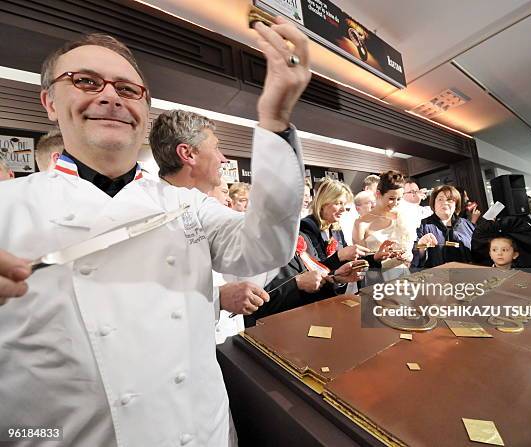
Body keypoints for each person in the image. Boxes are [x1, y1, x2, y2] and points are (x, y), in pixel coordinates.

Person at [0, 16, 311, 446]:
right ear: (50, 103)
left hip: (201, 431)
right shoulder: (8, 209)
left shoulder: (186, 204)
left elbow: (266, 246)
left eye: (127, 89)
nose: (110, 95)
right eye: (85, 81)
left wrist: (275, 116)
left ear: (144, 111)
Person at [148, 110, 272, 344]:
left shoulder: (205, 209)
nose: (223, 158)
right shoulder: (149, 212)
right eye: (215, 148)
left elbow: (256, 249)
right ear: (188, 153)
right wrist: (217, 299)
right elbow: (145, 304)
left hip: (226, 342)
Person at [300, 178, 392, 286]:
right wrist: (340, 255)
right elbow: (312, 270)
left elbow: (348, 260)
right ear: (323, 202)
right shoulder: (306, 226)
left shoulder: (335, 228)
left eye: (344, 204)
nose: (343, 209)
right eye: (338, 203)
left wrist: (375, 257)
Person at [353, 171, 411, 279]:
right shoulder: (361, 223)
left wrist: (407, 255)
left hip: (402, 275)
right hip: (377, 279)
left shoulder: (400, 217)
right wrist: (376, 258)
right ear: (378, 194)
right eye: (391, 199)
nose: (395, 203)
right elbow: (359, 263)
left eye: (399, 199)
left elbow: (408, 248)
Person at [413, 185, 475, 268]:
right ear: (433, 204)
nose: (445, 202)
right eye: (440, 199)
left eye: (449, 200)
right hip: (437, 277)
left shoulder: (467, 225)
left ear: (456, 204)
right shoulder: (423, 225)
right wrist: (421, 246)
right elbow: (416, 258)